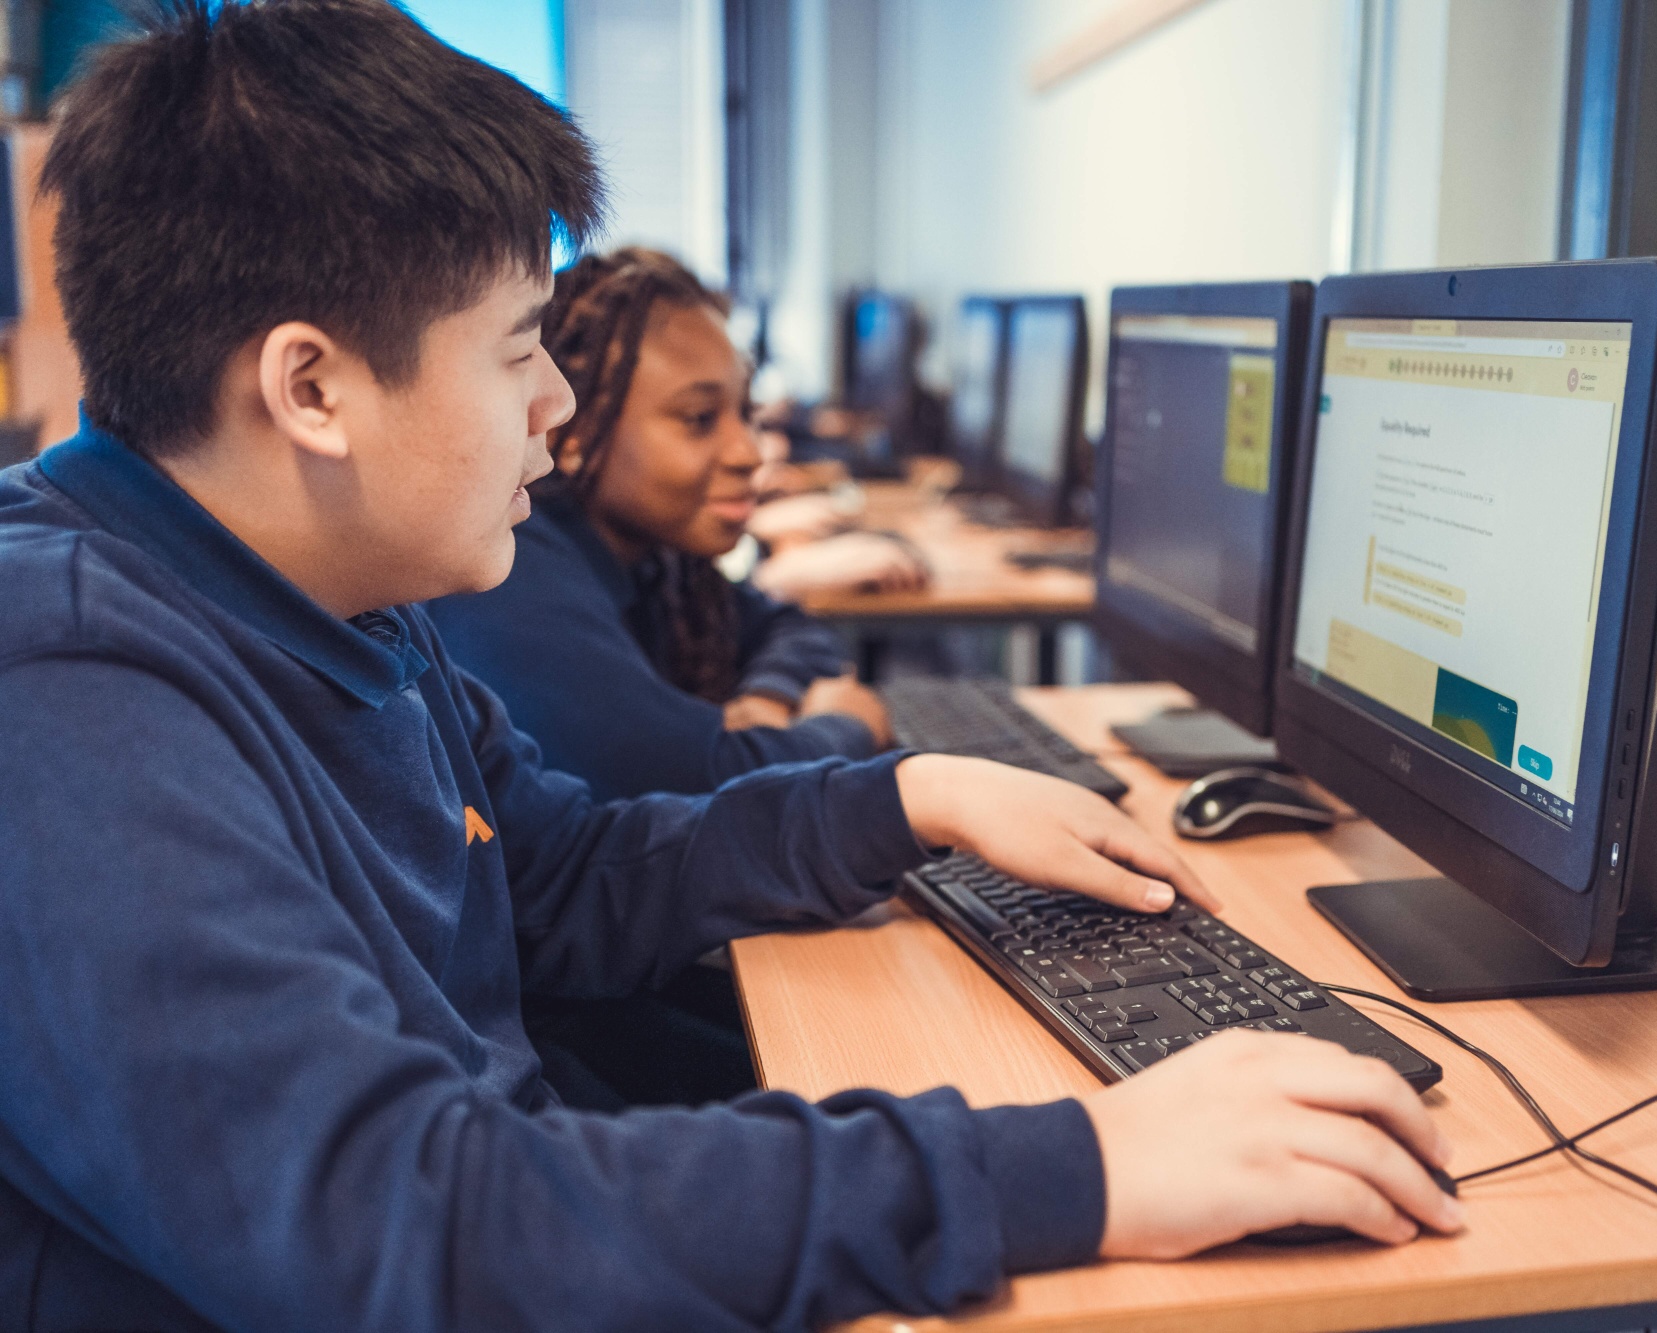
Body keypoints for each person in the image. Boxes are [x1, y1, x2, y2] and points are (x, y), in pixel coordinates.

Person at [0, 3, 1462, 1330]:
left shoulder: (323, 589)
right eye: (518, 351)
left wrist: (903, 801)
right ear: (310, 388)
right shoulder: (63, 691)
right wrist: (1083, 1166)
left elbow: (557, 874)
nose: (559, 407)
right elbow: (402, 1220)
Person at [429, 247, 901, 801]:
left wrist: (768, 700)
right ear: (574, 433)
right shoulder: (515, 570)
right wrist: (848, 726)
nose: (749, 452)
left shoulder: (650, 558)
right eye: (699, 419)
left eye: (744, 412)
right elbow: (705, 784)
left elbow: (786, 626)